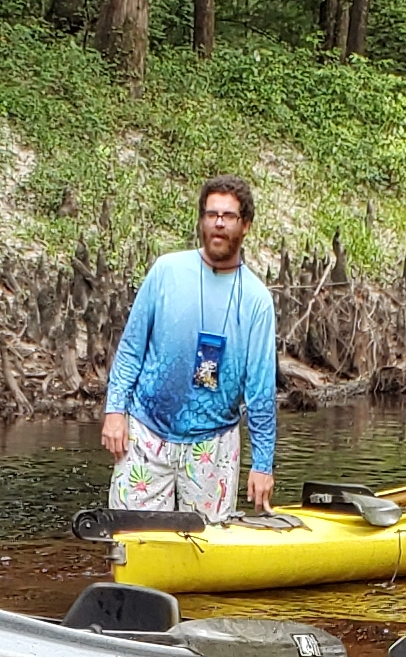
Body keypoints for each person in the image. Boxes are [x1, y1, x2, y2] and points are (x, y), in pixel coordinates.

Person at [100, 176, 279, 524]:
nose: (219, 223)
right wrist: (114, 411)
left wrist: (262, 464)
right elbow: (131, 348)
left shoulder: (257, 300)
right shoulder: (167, 271)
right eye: (211, 214)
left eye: (228, 216)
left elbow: (260, 390)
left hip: (214, 443)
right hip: (147, 432)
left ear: (245, 225)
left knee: (206, 548)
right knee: (132, 540)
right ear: (201, 220)